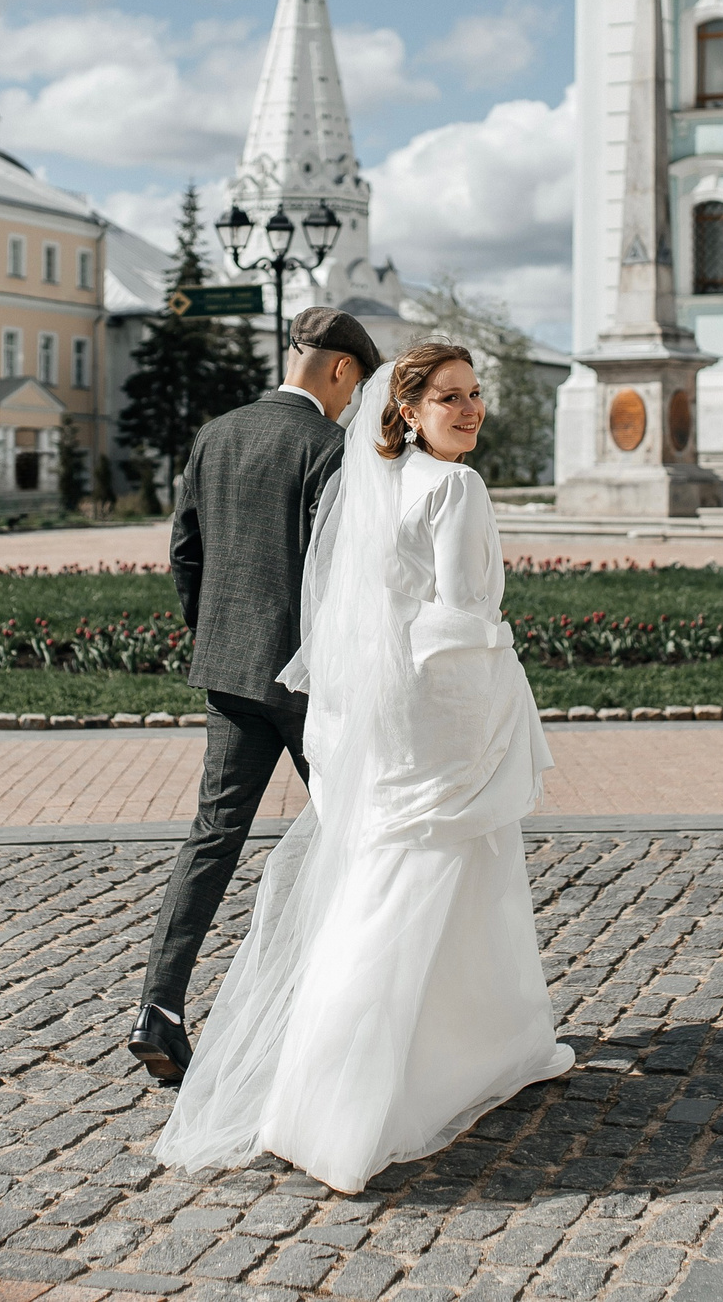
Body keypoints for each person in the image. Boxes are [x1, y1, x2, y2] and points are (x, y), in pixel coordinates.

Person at [152, 342, 573, 1195]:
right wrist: (505, 658)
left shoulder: (381, 481)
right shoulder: (455, 486)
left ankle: (345, 1075)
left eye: (475, 394)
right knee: (436, 877)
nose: (470, 409)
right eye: (449, 397)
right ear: (407, 408)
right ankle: (388, 1084)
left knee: (383, 878)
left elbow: (346, 599)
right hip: (445, 715)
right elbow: (463, 612)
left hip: (378, 713)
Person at [128, 305, 386, 1084]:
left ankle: (159, 1007)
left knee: (213, 837)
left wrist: (214, 637)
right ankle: (351, 1016)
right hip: (312, 683)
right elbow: (338, 575)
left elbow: (185, 553)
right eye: (355, 386)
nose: (351, 402)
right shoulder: (329, 448)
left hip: (230, 674)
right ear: (340, 369)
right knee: (358, 836)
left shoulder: (216, 434)